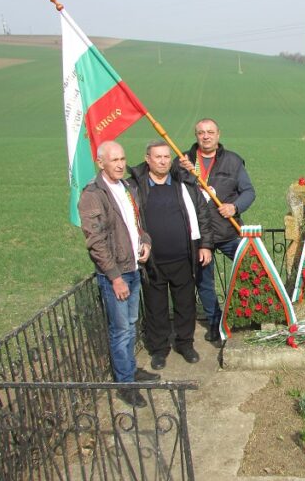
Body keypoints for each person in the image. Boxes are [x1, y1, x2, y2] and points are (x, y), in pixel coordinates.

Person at [77, 140, 159, 408]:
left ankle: (131, 371)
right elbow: (95, 241)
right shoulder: (93, 195)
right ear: (101, 163)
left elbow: (137, 224)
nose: (121, 164)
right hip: (118, 275)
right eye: (114, 160)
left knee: (131, 323)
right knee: (121, 329)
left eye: (123, 159)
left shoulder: (126, 187)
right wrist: (114, 277)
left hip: (134, 268)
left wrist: (145, 242)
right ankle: (125, 384)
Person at [129, 140, 214, 371]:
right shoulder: (135, 187)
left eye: (167, 157)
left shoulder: (183, 182)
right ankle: (159, 350)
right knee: (156, 308)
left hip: (184, 257)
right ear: (147, 159)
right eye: (158, 157)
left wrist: (205, 245)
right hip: (152, 260)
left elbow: (202, 214)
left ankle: (185, 344)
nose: (163, 161)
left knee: (185, 305)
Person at [176, 118, 255, 345]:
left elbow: (249, 192)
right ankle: (214, 323)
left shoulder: (233, 161)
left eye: (210, 132)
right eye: (201, 133)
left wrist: (235, 206)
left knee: (252, 267)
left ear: (218, 134)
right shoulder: (183, 160)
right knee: (205, 283)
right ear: (196, 135)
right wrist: (182, 172)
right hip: (199, 237)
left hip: (229, 232)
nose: (206, 136)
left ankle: (253, 311)